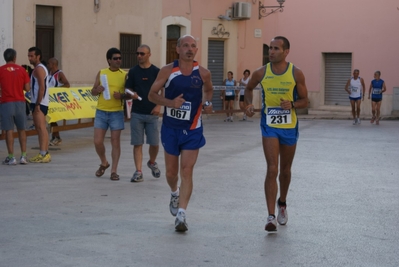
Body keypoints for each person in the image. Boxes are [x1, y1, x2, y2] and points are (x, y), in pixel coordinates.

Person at [148, 35, 214, 232]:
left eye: (193, 46)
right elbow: (152, 95)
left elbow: (209, 91)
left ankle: (182, 214)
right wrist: (170, 103)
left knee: (186, 170)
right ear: (177, 49)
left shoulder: (203, 73)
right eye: (185, 45)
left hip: (193, 128)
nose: (190, 49)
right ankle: (174, 192)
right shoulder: (168, 71)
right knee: (171, 173)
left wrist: (208, 103)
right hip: (170, 128)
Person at [244, 36, 308, 232]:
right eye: (270, 48)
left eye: (276, 49)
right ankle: (270, 216)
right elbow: (247, 88)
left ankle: (282, 203)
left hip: (289, 125)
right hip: (269, 125)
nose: (271, 52)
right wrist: (247, 103)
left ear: (286, 51)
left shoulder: (296, 73)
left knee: (285, 170)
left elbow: (305, 101)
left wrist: (293, 104)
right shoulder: (260, 72)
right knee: (272, 168)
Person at [125, 45, 162, 182]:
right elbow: (127, 88)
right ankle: (138, 171)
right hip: (137, 113)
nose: (139, 56)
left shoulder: (156, 71)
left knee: (154, 143)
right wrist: (131, 93)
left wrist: (159, 105)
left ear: (149, 55)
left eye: (142, 53)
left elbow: (164, 90)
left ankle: (152, 162)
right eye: (137, 53)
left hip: (152, 113)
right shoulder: (133, 71)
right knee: (137, 143)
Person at [91, 47, 127, 181]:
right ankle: (104, 162)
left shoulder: (124, 74)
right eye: (115, 58)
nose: (118, 61)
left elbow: (129, 94)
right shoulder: (101, 73)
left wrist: (121, 95)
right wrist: (97, 89)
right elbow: (92, 92)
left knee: (115, 142)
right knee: (97, 141)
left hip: (116, 113)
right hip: (101, 111)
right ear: (109, 60)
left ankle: (114, 171)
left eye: (120, 58)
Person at [0, 48, 30, 165]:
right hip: (20, 103)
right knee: (22, 130)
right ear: (14, 57)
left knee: (9, 130)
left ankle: (11, 157)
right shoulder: (22, 70)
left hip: (6, 103)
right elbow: (27, 88)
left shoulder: (1, 70)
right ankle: (23, 156)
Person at [28, 47, 51, 163]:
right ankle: (44, 152)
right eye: (29, 56)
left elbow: (42, 87)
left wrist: (37, 104)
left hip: (39, 103)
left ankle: (43, 153)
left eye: (32, 56)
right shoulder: (39, 69)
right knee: (41, 128)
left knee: (41, 128)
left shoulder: (38, 69)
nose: (29, 58)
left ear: (38, 57)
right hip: (41, 102)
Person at [47, 57, 71, 146]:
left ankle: (57, 137)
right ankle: (54, 137)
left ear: (53, 64)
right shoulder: (49, 73)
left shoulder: (60, 73)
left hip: (56, 99)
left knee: (53, 119)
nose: (47, 65)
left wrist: (56, 90)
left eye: (49, 63)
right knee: (50, 119)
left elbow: (67, 85)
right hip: (49, 99)